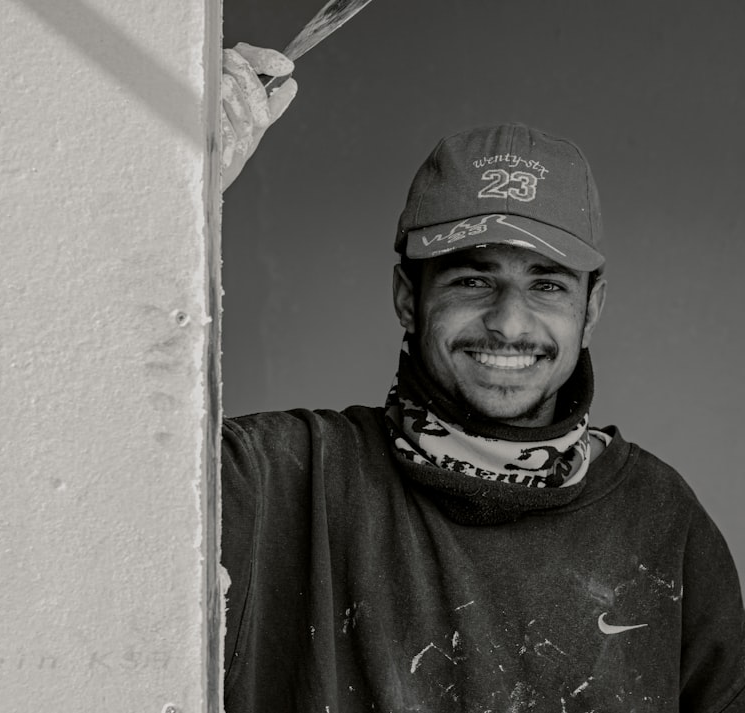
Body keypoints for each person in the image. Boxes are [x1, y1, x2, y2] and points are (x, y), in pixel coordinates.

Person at [219, 44, 745, 712]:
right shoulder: (282, 479)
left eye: (547, 285)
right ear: (409, 297)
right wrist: (172, 194)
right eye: (473, 279)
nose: (508, 321)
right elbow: (88, 472)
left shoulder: (663, 520)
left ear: (592, 309)